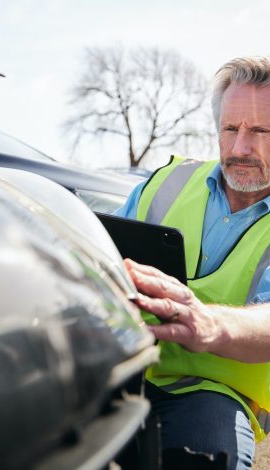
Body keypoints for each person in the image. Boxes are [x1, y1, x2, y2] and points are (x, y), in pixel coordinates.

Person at [115, 56, 270, 469]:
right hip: (124, 369)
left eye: (259, 131)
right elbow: (101, 250)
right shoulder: (165, 182)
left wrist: (211, 324)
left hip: (216, 395)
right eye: (231, 129)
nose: (240, 148)